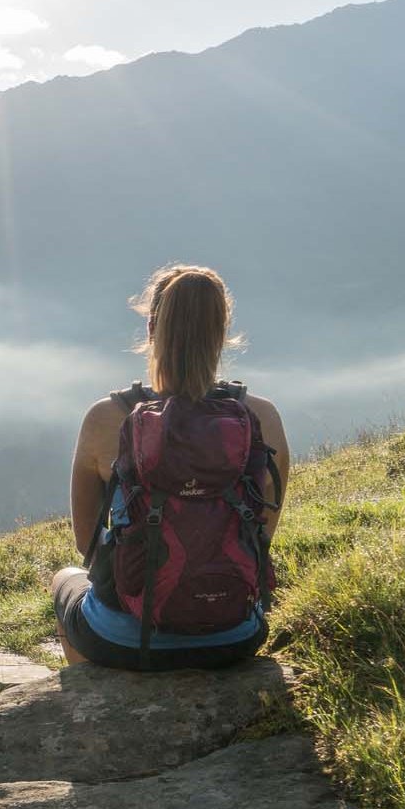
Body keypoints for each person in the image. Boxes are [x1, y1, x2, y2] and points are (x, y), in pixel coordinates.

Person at [50, 265, 291, 670]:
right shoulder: (261, 417)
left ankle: (92, 695)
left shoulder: (107, 418)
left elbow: (86, 544)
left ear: (151, 329)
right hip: (235, 633)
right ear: (222, 331)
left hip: (125, 639)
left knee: (64, 578)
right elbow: (261, 533)